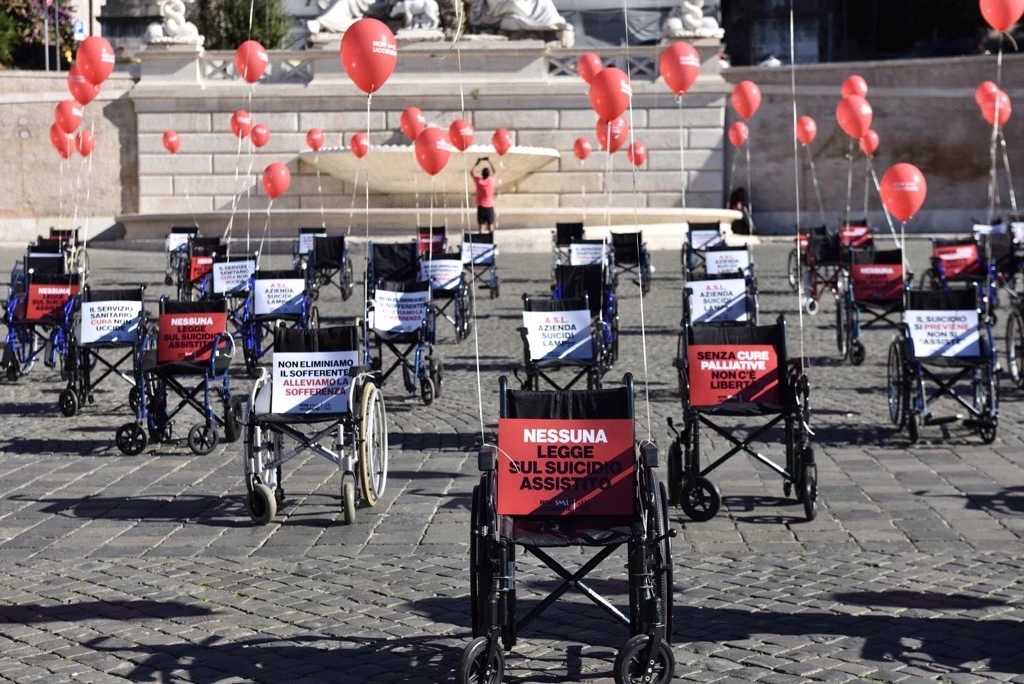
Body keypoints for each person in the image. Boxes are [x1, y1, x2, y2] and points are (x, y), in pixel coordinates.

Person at [472, 157, 497, 233]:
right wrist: (489, 161)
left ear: (482, 174)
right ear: (489, 174)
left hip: (481, 206)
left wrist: (477, 163)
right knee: (491, 226)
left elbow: (471, 172)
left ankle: (481, 241)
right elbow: (494, 171)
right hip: (490, 206)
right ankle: (491, 240)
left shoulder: (479, 181)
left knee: (481, 227)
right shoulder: (491, 180)